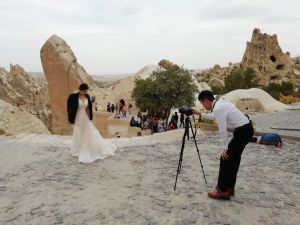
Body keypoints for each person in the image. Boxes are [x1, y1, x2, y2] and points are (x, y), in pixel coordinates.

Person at [193, 90, 254, 200]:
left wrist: (225, 147)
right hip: (245, 130)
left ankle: (222, 191)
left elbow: (222, 129)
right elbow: (215, 116)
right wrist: (200, 114)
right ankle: (230, 187)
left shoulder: (218, 108)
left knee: (225, 158)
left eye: (202, 103)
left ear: (206, 100)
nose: (203, 105)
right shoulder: (220, 104)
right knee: (234, 159)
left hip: (243, 131)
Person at [67, 83, 116, 163]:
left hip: (85, 118)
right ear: (80, 90)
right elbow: (69, 107)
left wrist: (89, 118)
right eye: (84, 91)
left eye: (86, 90)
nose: (85, 92)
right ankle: (80, 148)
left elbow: (88, 108)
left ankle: (88, 148)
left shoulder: (87, 96)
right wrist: (71, 118)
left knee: (88, 133)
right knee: (79, 133)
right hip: (78, 118)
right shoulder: (74, 97)